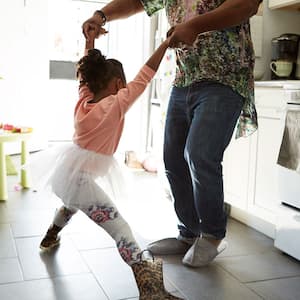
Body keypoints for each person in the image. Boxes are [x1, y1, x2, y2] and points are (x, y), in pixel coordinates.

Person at [82, 0, 262, 267]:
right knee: (173, 159)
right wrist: (101, 15)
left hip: (224, 77)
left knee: (200, 154)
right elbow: (136, 1)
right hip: (185, 79)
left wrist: (194, 26)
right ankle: (188, 234)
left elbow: (246, 4)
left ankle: (212, 235)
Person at [39, 29, 182, 299]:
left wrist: (90, 43)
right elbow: (146, 75)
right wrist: (165, 45)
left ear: (90, 82)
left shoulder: (84, 100)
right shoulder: (116, 104)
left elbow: (86, 73)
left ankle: (51, 234)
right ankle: (151, 291)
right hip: (79, 178)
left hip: (66, 173)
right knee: (120, 229)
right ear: (118, 84)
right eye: (125, 85)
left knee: (72, 203)